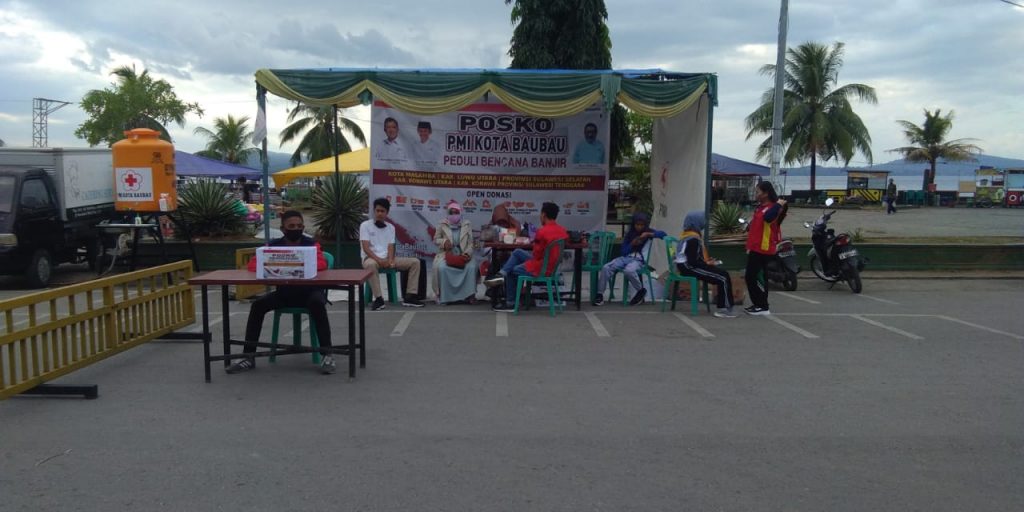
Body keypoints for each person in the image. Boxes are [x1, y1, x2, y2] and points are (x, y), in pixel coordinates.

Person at [227, 210, 336, 375]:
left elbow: (321, 264)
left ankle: (327, 354)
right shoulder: (272, 245)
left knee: (317, 304)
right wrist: (285, 262)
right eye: (291, 226)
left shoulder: (312, 244)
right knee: (257, 305)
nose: (296, 229)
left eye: (299, 226)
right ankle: (248, 356)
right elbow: (253, 265)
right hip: (284, 294)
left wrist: (288, 261)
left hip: (310, 292)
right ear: (283, 228)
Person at [484, 202, 568, 312]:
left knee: (513, 270)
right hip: (552, 266)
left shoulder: (542, 232)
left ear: (543, 215)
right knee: (518, 252)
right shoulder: (563, 231)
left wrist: (534, 244)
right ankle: (502, 273)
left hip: (541, 268)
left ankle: (511, 303)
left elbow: (536, 255)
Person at [361, 197, 424, 310]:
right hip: (370, 258)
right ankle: (379, 299)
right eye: (377, 211)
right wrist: (379, 260)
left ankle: (410, 296)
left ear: (387, 213)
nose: (379, 213)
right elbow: (366, 248)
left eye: (382, 211)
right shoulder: (365, 225)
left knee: (415, 262)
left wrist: (390, 261)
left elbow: (391, 246)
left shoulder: (391, 227)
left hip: (388, 258)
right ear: (374, 211)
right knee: (370, 265)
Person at [592, 212, 666, 306]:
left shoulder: (648, 232)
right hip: (626, 257)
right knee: (606, 267)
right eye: (637, 224)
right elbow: (623, 251)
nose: (639, 227)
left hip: (639, 260)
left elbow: (663, 234)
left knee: (629, 271)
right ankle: (600, 294)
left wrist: (648, 234)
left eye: (642, 225)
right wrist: (632, 244)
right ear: (633, 224)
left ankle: (640, 290)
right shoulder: (630, 234)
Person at [674, 210, 736, 318]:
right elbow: (693, 261)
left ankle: (725, 306)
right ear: (697, 222)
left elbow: (694, 257)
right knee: (722, 277)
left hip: (687, 265)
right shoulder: (693, 238)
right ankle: (725, 309)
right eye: (703, 220)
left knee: (722, 274)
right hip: (688, 267)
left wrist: (708, 263)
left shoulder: (689, 234)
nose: (705, 222)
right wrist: (707, 264)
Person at [744, 182, 787, 315]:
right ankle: (758, 304)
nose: (756, 194)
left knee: (755, 276)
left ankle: (762, 306)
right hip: (755, 246)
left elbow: (768, 219)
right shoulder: (760, 207)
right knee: (752, 276)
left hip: (764, 247)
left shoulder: (774, 208)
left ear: (766, 193)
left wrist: (779, 203)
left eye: (758, 192)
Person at [433, 201, 477, 304]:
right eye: (451, 212)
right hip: (447, 254)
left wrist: (467, 253)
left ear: (460, 212)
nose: (454, 215)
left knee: (471, 267)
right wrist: (444, 242)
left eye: (456, 212)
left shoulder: (467, 224)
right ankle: (445, 297)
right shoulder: (442, 224)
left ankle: (469, 296)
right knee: (442, 268)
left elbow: (471, 243)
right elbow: (436, 239)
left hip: (463, 253)